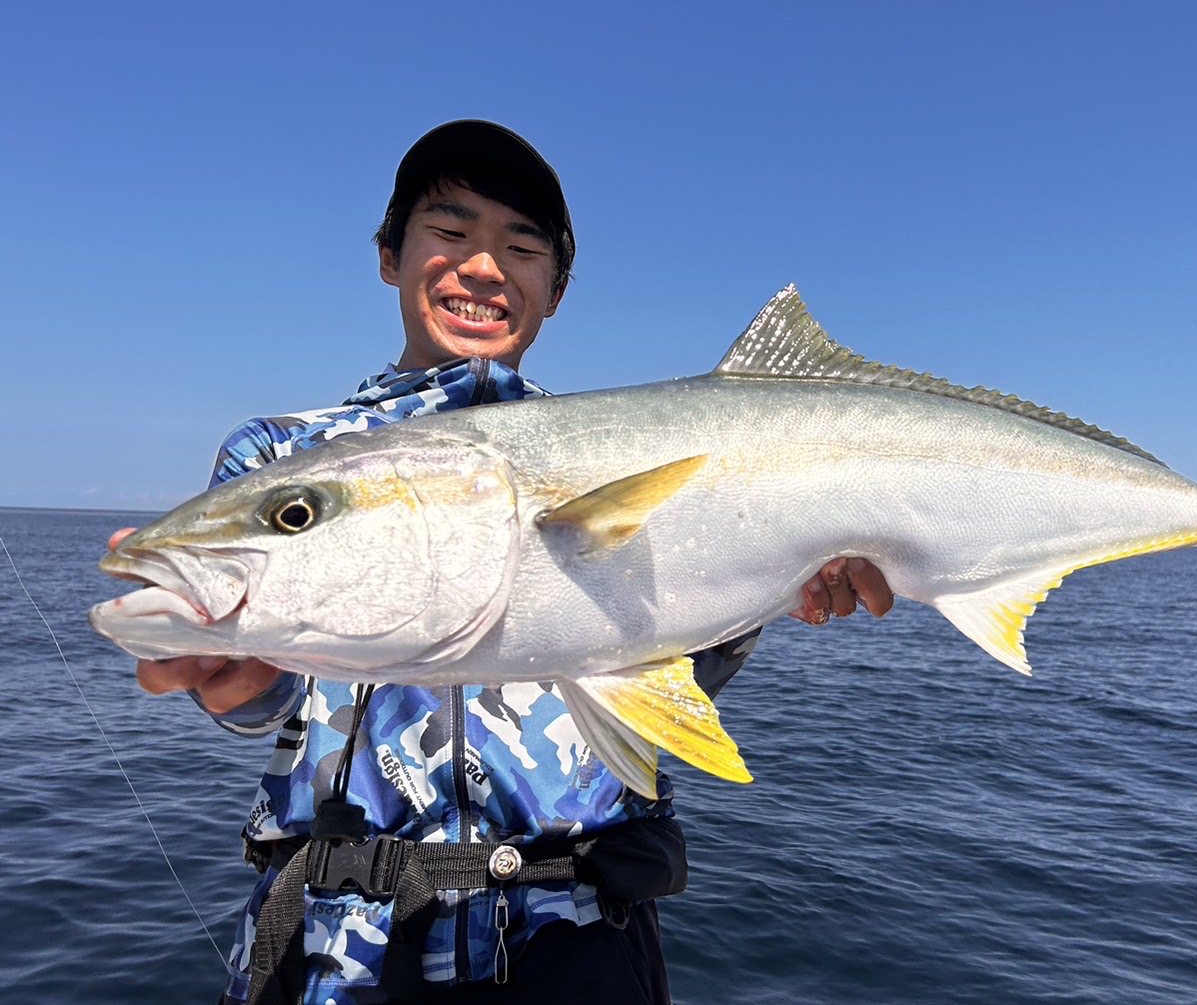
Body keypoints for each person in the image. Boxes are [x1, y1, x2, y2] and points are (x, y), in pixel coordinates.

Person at [116, 121, 894, 1004]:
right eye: (450, 231)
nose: (483, 267)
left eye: (521, 248)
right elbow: (272, 699)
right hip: (340, 942)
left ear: (554, 290)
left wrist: (782, 590)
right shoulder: (286, 457)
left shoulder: (624, 448)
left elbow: (682, 666)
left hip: (579, 934)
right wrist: (236, 677)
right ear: (390, 255)